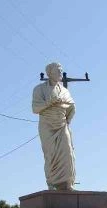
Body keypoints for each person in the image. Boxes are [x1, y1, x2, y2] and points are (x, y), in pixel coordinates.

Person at [32, 62, 76, 191]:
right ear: (50, 73)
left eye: (61, 70)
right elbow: (35, 109)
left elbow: (72, 107)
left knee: (68, 152)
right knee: (50, 155)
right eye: (58, 71)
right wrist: (49, 103)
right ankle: (51, 183)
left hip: (62, 124)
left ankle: (68, 183)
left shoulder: (65, 91)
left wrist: (67, 120)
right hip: (47, 126)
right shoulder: (39, 89)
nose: (61, 73)